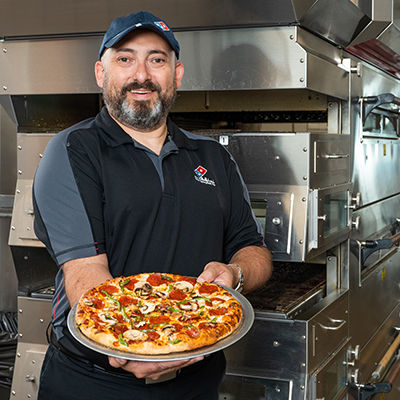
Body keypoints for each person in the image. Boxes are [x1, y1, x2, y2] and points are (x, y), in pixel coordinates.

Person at [32, 10, 272, 400]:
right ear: (100, 73)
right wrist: (135, 344)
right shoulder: (73, 150)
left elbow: (254, 249)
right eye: (124, 59)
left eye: (156, 60)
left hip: (199, 378)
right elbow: (86, 276)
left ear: (176, 75)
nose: (141, 75)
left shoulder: (213, 156)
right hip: (95, 382)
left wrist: (234, 274)